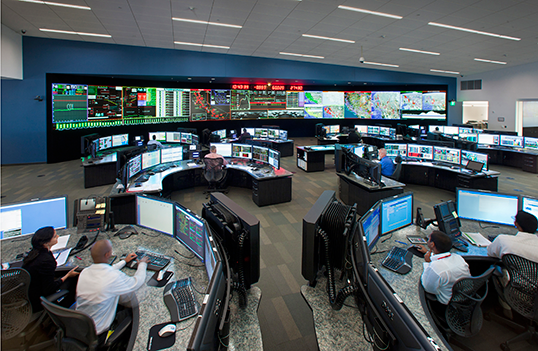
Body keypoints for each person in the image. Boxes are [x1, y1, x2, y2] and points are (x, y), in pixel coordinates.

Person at [76, 240, 149, 339]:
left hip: (80, 326)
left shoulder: (85, 272)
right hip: (98, 332)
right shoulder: (112, 277)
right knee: (132, 304)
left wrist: (124, 261)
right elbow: (137, 282)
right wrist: (142, 264)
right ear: (107, 254)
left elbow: (106, 270)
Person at [22, 226, 79, 311]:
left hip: (31, 293)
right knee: (74, 280)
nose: (58, 237)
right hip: (39, 301)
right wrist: (67, 276)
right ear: (46, 243)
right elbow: (49, 288)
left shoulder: (33, 254)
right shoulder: (46, 261)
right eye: (55, 236)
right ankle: (64, 311)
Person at [417, 231, 471, 304]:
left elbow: (428, 288)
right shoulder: (458, 258)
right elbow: (443, 258)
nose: (427, 240)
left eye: (428, 239)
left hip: (447, 302)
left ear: (432, 244)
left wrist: (428, 263)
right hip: (464, 296)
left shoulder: (435, 268)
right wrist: (427, 252)